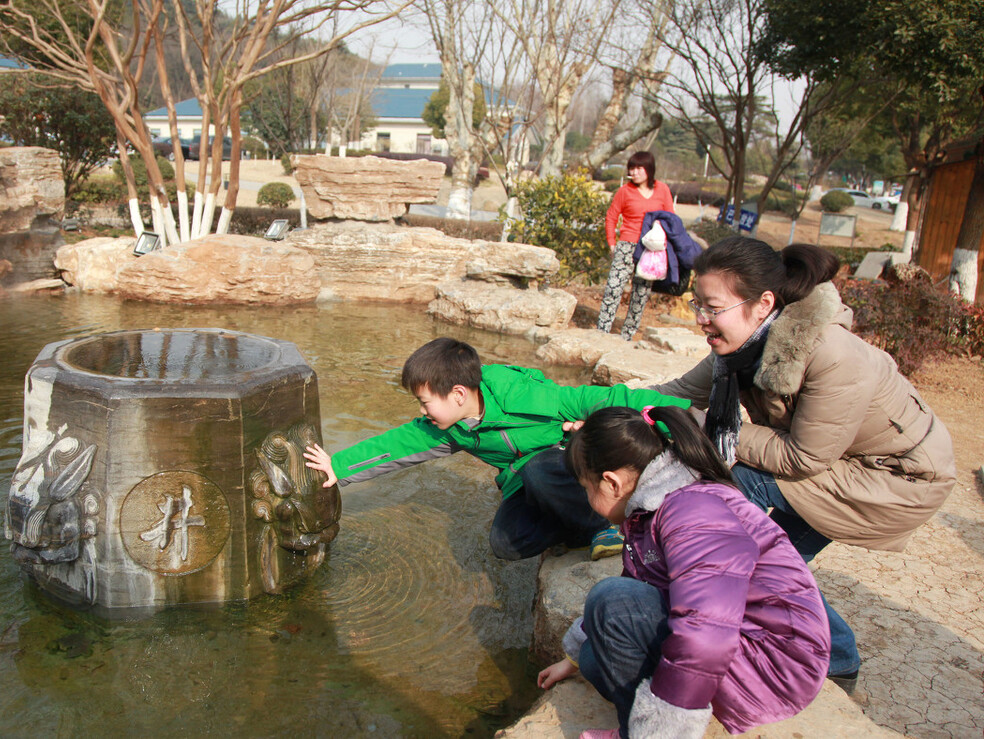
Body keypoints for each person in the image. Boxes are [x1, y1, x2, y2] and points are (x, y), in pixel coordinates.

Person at [649, 237, 956, 693]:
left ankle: (822, 654)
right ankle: (839, 658)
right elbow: (675, 394)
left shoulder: (832, 354)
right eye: (698, 305)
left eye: (712, 308)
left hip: (895, 477)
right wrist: (603, 408)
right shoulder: (742, 345)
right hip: (839, 464)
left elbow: (803, 456)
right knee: (768, 559)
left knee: (739, 498)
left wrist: (704, 425)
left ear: (762, 304)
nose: (700, 319)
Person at [537, 405, 830, 739]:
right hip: (743, 647)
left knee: (610, 599)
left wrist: (658, 732)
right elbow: (642, 587)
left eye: (586, 488)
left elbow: (706, 630)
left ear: (611, 482)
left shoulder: (692, 512)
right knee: (592, 658)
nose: (588, 498)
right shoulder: (653, 507)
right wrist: (572, 657)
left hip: (774, 667)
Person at [302, 337, 691, 561]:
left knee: (539, 471)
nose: (421, 411)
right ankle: (575, 527)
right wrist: (339, 466)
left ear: (457, 394)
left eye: (424, 402)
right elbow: (399, 444)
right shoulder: (453, 427)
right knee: (506, 544)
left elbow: (598, 398)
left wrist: (683, 415)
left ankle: (605, 527)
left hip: (567, 464)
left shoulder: (519, 394)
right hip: (526, 480)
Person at [598, 151, 675, 340]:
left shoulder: (662, 189)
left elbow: (671, 218)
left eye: (639, 168)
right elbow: (611, 216)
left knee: (640, 294)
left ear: (649, 169)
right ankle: (602, 333)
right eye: (631, 168)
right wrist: (611, 243)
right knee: (613, 289)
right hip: (626, 245)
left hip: (650, 250)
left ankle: (627, 336)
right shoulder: (624, 191)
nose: (634, 172)